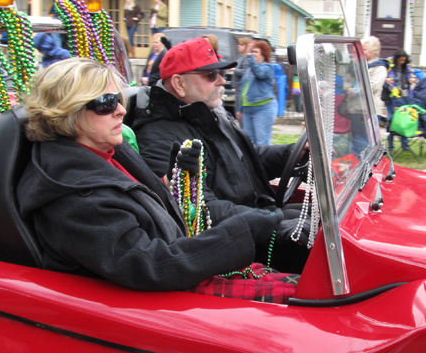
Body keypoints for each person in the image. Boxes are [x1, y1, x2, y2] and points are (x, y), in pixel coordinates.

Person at [16, 57, 290, 297]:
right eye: (106, 103)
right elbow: (149, 265)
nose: (121, 110)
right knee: (308, 302)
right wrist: (239, 230)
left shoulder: (112, 152)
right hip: (157, 297)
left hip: (183, 272)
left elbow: (141, 206)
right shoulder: (76, 196)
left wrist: (179, 180)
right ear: (69, 112)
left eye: (119, 99)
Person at [130, 37, 309, 271]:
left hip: (252, 216)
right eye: (211, 75)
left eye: (220, 73)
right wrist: (271, 222)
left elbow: (245, 160)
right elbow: (197, 206)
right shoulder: (160, 136)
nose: (222, 80)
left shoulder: (211, 114)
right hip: (230, 241)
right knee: (312, 240)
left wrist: (293, 153)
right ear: (179, 83)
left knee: (320, 219)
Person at [240, 40, 277, 146]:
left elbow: (259, 73)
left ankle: (264, 163)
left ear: (263, 54)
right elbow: (243, 88)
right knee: (249, 142)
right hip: (247, 109)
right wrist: (239, 108)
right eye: (252, 52)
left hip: (262, 108)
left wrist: (250, 57)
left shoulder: (267, 68)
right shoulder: (249, 70)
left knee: (262, 143)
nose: (253, 54)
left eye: (255, 52)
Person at [384, 49, 416, 151]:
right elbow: (384, 81)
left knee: (404, 120)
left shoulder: (406, 68)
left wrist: (411, 80)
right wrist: (387, 80)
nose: (402, 62)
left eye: (404, 60)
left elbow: (411, 77)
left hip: (404, 97)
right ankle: (391, 145)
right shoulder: (389, 66)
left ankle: (405, 145)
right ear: (396, 59)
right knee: (392, 120)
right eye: (400, 60)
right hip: (392, 98)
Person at [362, 36, 388, 122]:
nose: (362, 52)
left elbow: (373, 86)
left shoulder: (380, 67)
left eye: (364, 49)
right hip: (358, 108)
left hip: (372, 109)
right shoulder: (360, 65)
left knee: (368, 135)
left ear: (374, 51)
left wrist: (354, 90)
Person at [232, 36, 253, 123]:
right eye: (238, 44)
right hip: (237, 88)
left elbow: (246, 72)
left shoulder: (247, 58)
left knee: (241, 114)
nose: (239, 46)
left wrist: (234, 70)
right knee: (238, 112)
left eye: (241, 44)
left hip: (242, 88)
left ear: (247, 46)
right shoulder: (240, 57)